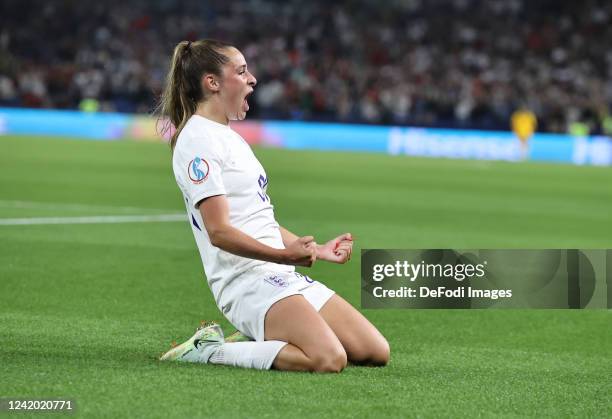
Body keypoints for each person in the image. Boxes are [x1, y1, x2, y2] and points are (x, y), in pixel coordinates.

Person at [157, 39, 390, 372]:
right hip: (244, 280)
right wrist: (284, 255)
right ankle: (209, 350)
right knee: (328, 358)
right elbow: (219, 232)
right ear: (212, 83)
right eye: (241, 72)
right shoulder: (198, 140)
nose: (252, 79)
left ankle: (262, 338)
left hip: (279, 273)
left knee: (375, 350)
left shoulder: (228, 135)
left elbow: (256, 218)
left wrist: (318, 250)